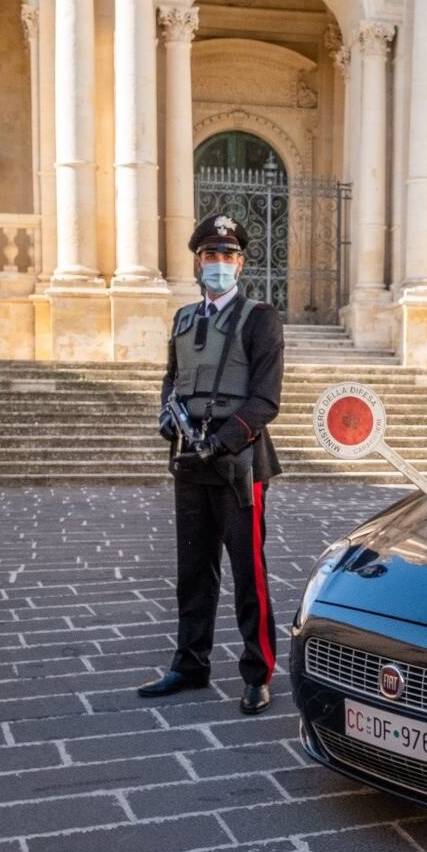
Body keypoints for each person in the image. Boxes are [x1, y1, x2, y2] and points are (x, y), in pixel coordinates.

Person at [137, 213, 286, 715]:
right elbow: (172, 378)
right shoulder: (181, 318)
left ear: (241, 263)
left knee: (249, 572)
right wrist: (166, 416)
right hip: (189, 461)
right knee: (192, 571)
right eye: (209, 256)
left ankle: (257, 673)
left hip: (238, 464)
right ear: (197, 263)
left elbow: (265, 400)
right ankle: (190, 663)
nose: (218, 264)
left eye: (228, 256)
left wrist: (221, 442)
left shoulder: (261, 318)